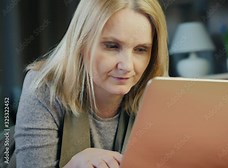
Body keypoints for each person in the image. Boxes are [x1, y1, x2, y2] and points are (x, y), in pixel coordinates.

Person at [15, 0, 169, 167]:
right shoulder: (43, 87)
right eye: (112, 46)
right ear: (82, 43)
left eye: (141, 49)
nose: (127, 66)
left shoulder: (158, 95)